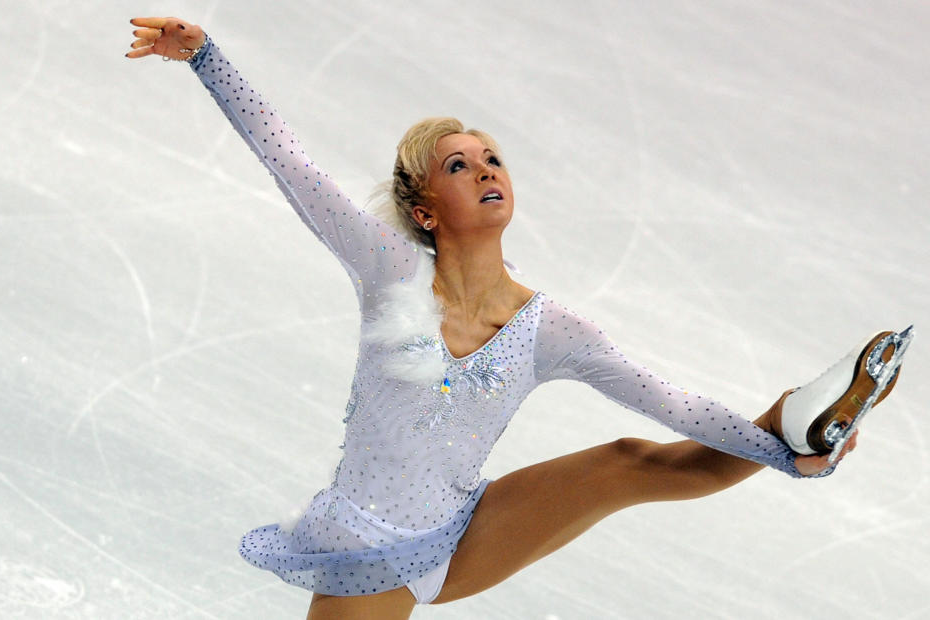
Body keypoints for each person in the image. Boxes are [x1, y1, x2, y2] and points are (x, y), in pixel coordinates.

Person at [125, 17, 906, 619]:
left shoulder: (550, 329)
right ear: (426, 212)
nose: (486, 170)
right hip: (364, 543)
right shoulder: (387, 266)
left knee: (632, 458)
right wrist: (205, 57)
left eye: (492, 157)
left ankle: (796, 429)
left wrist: (781, 458)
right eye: (458, 166)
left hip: (469, 528)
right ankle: (789, 440)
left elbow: (672, 404)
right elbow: (289, 162)